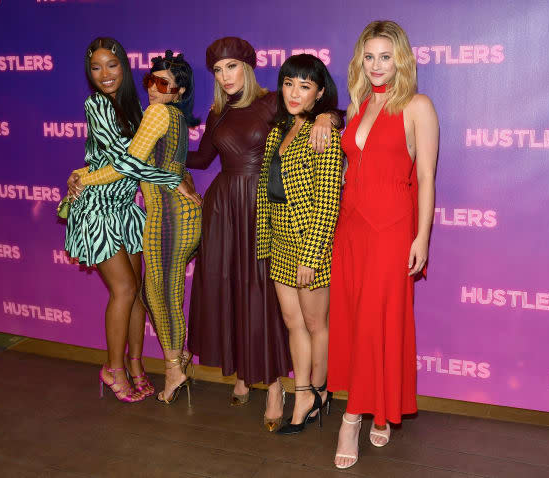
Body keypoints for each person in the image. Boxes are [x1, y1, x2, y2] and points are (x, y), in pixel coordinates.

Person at [186, 37, 341, 432]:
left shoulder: (276, 102)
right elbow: (202, 158)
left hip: (270, 212)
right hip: (234, 214)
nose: (226, 76)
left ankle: (286, 388)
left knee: (275, 308)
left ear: (249, 67)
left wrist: (329, 118)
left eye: (232, 66)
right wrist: (161, 152)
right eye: (217, 71)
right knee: (242, 297)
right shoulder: (219, 112)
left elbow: (330, 112)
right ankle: (248, 373)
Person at [327, 21, 439, 468]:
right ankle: (379, 408)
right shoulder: (357, 105)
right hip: (351, 228)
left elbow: (427, 177)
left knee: (379, 321)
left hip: (392, 229)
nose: (377, 65)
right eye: (369, 57)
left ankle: (352, 417)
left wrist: (423, 237)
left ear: (402, 59)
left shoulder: (418, 105)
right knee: (356, 323)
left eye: (386, 56)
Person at [65, 38, 196, 403]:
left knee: (137, 291)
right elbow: (126, 161)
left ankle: (137, 365)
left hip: (125, 208)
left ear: (124, 67)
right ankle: (114, 368)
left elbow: (136, 157)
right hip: (97, 208)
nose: (104, 74)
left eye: (112, 65)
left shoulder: (140, 105)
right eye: (96, 68)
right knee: (123, 289)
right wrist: (172, 178)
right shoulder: (96, 104)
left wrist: (81, 168)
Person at [256, 54, 342, 435]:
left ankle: (319, 391)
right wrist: (265, 245)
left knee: (314, 323)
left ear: (319, 93)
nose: (294, 92)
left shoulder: (323, 132)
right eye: (289, 83)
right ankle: (302, 392)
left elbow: (327, 203)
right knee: (293, 324)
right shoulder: (280, 129)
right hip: (279, 243)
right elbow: (267, 193)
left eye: (304, 86)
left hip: (309, 245)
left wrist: (311, 255)